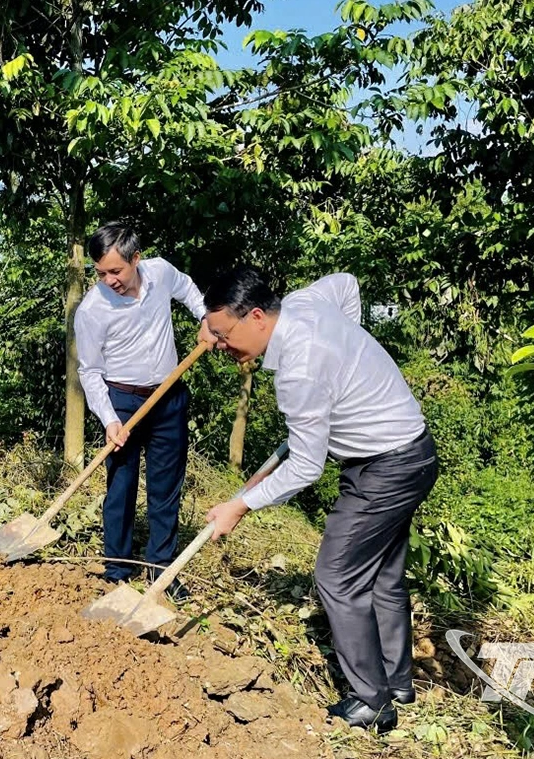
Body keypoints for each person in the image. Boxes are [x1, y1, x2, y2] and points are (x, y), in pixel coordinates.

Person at [199, 265, 438, 733]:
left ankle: (372, 702)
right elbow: (348, 282)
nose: (222, 346)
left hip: (386, 468)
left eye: (225, 334)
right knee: (383, 572)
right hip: (414, 452)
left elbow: (307, 468)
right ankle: (396, 681)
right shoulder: (304, 304)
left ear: (256, 317)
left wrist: (240, 506)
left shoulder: (299, 371)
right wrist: (350, 353)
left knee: (337, 575)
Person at [74, 221, 210, 595]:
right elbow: (90, 371)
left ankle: (160, 570)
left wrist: (205, 318)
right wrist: (110, 419)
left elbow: (186, 288)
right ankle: (117, 569)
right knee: (120, 487)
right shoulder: (92, 310)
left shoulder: (161, 273)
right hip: (123, 400)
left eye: (115, 271)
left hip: (168, 397)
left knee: (166, 487)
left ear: (137, 258)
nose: (108, 280)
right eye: (100, 272)